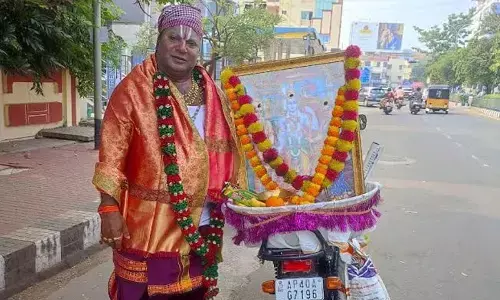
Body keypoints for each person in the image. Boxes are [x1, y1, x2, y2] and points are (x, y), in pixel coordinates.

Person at [92, 4, 246, 300]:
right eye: (173, 38)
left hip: (202, 225)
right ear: (158, 41)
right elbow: (111, 155)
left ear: (198, 50)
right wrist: (108, 208)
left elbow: (233, 151)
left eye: (191, 43)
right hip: (149, 230)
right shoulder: (132, 90)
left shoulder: (215, 94)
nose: (181, 48)